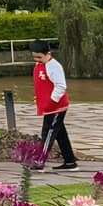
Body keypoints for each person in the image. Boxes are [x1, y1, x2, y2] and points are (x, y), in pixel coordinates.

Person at [32, 39, 76, 170]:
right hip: (48, 105)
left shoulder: (54, 66)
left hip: (56, 106)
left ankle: (40, 161)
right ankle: (70, 162)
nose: (37, 60)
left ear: (48, 54)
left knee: (48, 133)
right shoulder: (39, 65)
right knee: (60, 134)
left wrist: (51, 101)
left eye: (40, 57)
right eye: (35, 57)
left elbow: (61, 86)